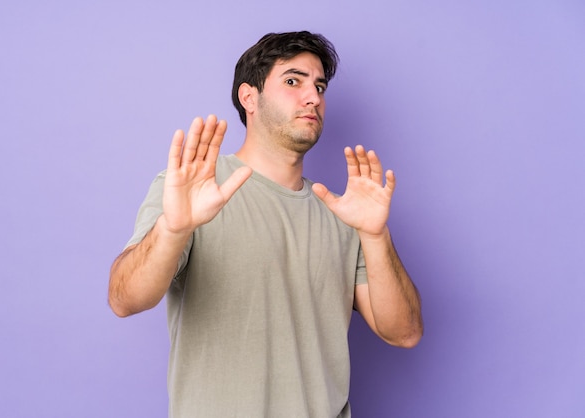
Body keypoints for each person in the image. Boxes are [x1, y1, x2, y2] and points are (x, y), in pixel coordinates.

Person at [109, 31, 423, 417]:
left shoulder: (344, 213)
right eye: (293, 81)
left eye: (319, 86)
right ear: (249, 97)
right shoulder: (195, 189)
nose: (314, 98)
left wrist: (376, 235)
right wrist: (174, 228)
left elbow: (404, 332)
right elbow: (124, 300)